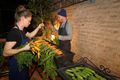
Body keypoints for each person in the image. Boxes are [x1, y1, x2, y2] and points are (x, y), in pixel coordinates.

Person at [3, 5, 44, 80]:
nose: (30, 23)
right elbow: (5, 52)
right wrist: (24, 49)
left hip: (23, 63)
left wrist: (38, 27)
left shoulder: (22, 30)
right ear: (22, 18)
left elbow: (31, 35)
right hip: (16, 65)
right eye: (29, 20)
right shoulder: (14, 32)